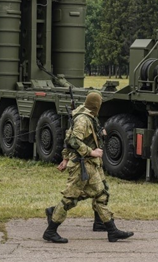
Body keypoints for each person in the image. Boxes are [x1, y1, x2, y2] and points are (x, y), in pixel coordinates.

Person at [43, 92, 133, 243]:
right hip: (82, 165)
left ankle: (111, 230)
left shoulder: (89, 117)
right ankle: (50, 230)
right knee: (69, 199)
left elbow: (74, 138)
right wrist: (91, 152)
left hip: (90, 164)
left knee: (101, 194)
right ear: (96, 105)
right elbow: (72, 140)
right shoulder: (83, 120)